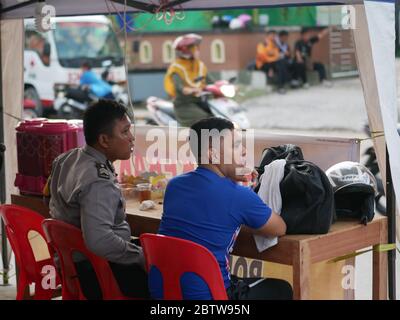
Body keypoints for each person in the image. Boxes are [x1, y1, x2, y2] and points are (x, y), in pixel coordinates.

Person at [149, 117, 293, 300]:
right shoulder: (238, 196)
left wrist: (233, 182)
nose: (242, 150)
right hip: (211, 298)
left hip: (163, 294)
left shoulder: (174, 186)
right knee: (280, 288)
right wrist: (241, 189)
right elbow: (279, 228)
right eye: (235, 145)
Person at [45, 100, 150, 300]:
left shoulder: (67, 158)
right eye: (125, 132)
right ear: (104, 140)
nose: (132, 138)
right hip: (97, 271)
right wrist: (141, 257)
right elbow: (99, 240)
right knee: (174, 278)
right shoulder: (98, 181)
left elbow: (47, 198)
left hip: (70, 264)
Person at [164, 33, 214, 127]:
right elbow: (179, 87)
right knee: (205, 120)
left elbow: (211, 82)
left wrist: (223, 85)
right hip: (184, 104)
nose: (198, 50)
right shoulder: (176, 68)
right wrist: (190, 90)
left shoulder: (200, 65)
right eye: (194, 48)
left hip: (201, 102)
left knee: (216, 117)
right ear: (186, 51)